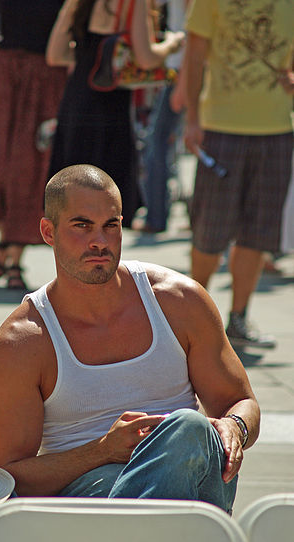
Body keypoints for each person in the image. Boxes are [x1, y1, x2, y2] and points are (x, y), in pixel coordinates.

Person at [0, 164, 260, 515]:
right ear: (48, 232)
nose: (99, 241)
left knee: (190, 431)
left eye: (111, 225)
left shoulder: (179, 302)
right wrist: (102, 451)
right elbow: (3, 477)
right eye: (82, 226)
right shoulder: (22, 342)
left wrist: (234, 428)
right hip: (92, 497)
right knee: (187, 428)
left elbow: (240, 402)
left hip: (192, 475)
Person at [183, 0, 293, 349]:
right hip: (219, 128)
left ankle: (238, 320)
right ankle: (188, 314)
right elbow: (195, 53)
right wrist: (192, 118)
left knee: (257, 234)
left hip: (276, 129)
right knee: (209, 232)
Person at [0, 0, 67, 290]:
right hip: (6, 75)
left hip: (47, 75)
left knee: (30, 169)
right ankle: (7, 245)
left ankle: (12, 255)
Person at [46, 0, 185, 228]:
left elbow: (55, 55)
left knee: (70, 206)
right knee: (106, 209)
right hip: (109, 109)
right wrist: (172, 44)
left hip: (75, 104)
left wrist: (89, 56)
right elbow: (146, 57)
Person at [133, 0, 189, 233]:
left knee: (157, 143)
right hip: (180, 69)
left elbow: (195, 31)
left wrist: (185, 81)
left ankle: (156, 217)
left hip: (184, 71)